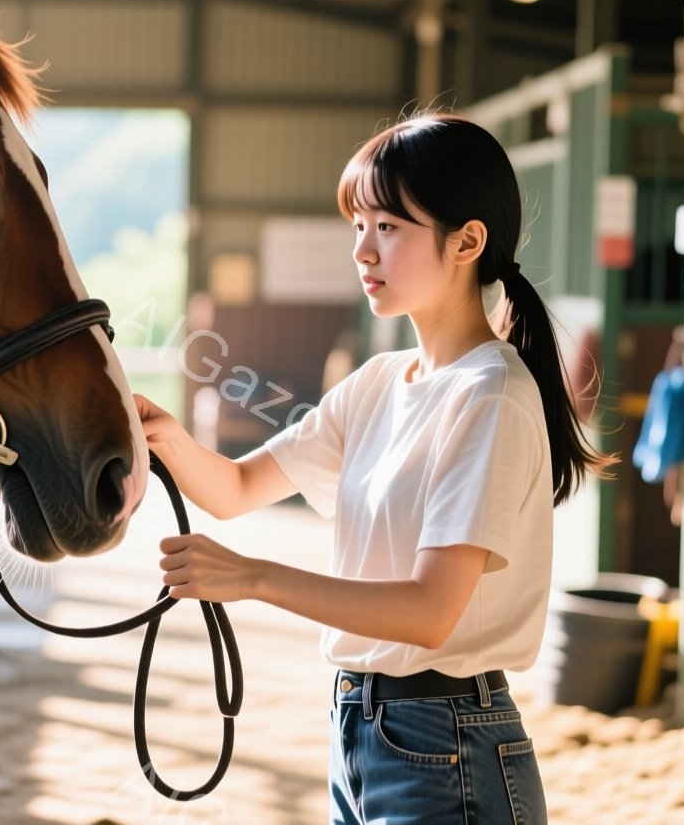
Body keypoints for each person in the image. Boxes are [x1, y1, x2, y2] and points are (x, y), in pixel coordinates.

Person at [133, 113, 614, 824]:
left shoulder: (492, 396)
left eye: (388, 226)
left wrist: (254, 578)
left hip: (447, 742)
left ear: (467, 241)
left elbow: (428, 611)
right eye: (358, 225)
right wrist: (163, 434)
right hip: (360, 731)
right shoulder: (380, 382)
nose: (363, 250)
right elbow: (236, 489)